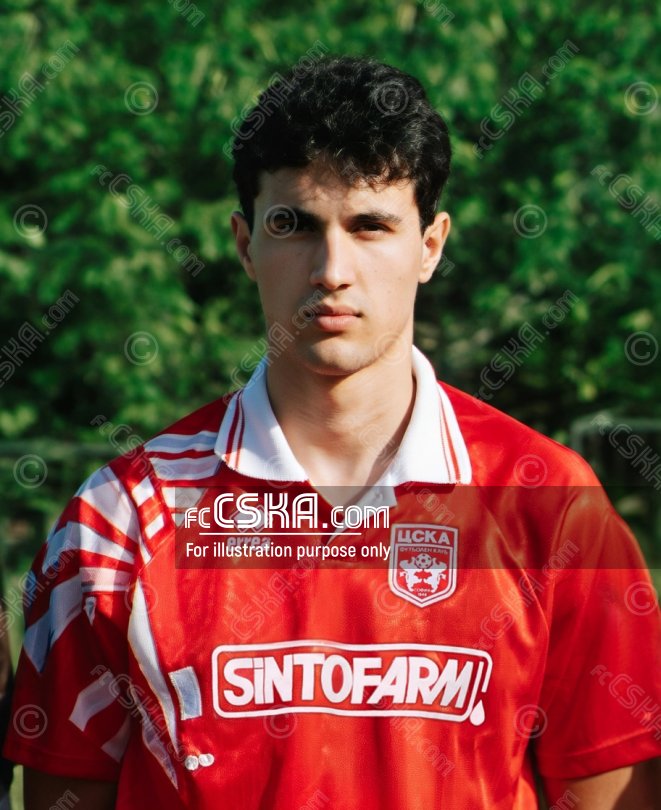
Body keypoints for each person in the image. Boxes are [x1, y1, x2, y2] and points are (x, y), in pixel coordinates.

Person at [5, 55, 661, 809]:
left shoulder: (548, 503)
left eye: (370, 225)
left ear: (431, 245)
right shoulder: (121, 520)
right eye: (294, 225)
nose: (331, 269)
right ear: (245, 244)